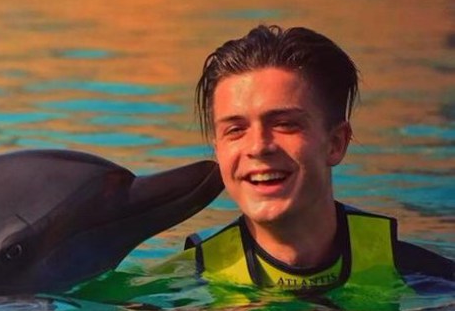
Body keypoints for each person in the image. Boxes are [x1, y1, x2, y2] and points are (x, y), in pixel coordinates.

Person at [161, 24, 454, 294]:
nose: (258, 147)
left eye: (285, 124)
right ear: (218, 150)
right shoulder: (180, 288)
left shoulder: (425, 279)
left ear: (336, 143)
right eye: (235, 130)